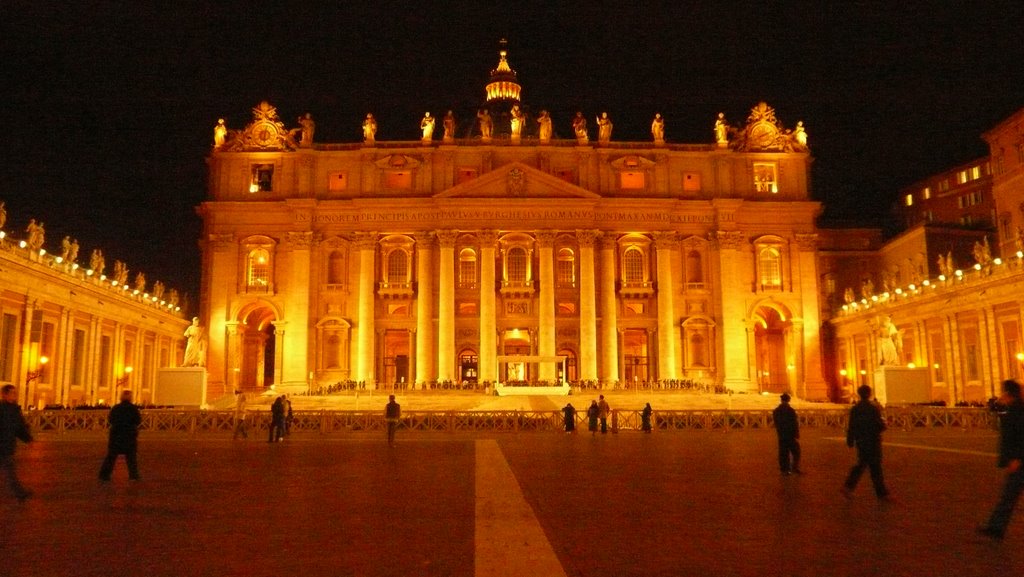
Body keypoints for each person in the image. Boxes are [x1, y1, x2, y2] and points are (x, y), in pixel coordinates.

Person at [978, 380, 1024, 539]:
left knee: (1009, 496)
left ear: (1008, 393)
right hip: (1017, 460)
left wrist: (1017, 458)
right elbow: (992, 410)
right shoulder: (1012, 408)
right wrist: (999, 401)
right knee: (1008, 496)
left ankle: (996, 527)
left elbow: (1020, 436)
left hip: (1019, 462)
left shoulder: (1018, 410)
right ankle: (996, 527)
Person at [842, 385, 889, 499]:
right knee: (875, 467)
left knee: (862, 464)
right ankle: (881, 493)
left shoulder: (855, 408)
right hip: (873, 440)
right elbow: (878, 424)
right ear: (869, 394)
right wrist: (883, 426)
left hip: (861, 441)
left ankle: (848, 486)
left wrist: (850, 439)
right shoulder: (873, 408)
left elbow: (851, 425)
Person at [98, 390, 142, 481]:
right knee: (131, 457)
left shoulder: (116, 408)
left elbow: (110, 419)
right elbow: (138, 420)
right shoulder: (133, 408)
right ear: (131, 398)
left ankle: (104, 475)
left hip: (116, 434)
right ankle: (133, 475)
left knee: (111, 456)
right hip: (129, 434)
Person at [0, 384, 33, 501]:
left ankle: (20, 492)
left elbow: (19, 427)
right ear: (5, 394)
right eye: (12, 393)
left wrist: (28, 439)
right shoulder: (3, 409)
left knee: (10, 471)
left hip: (7, 445)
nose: (15, 395)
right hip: (3, 444)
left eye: (15, 393)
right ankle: (20, 493)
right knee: (10, 471)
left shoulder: (14, 409)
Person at [773, 393, 801, 474]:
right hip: (790, 435)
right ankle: (794, 468)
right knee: (796, 451)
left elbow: (776, 423)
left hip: (782, 435)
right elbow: (794, 423)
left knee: (783, 453)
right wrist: (796, 433)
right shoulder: (791, 410)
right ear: (788, 400)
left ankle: (784, 469)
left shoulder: (776, 411)